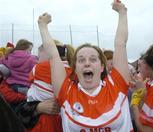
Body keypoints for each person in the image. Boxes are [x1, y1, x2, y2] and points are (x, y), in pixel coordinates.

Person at [38, 0, 133, 131]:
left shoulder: (117, 85)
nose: (87, 62)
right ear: (75, 69)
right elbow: (53, 56)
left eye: (93, 59)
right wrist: (42, 26)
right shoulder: (66, 91)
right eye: (81, 60)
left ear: (101, 67)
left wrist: (122, 13)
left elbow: (120, 43)